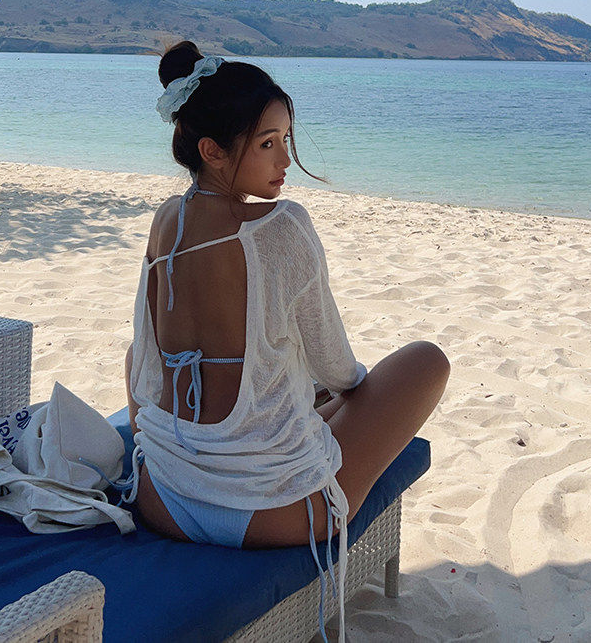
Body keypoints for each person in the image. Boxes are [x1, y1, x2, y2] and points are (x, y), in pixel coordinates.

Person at [124, 42, 448, 637]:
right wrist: (341, 396)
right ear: (212, 150)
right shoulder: (283, 227)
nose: (284, 161)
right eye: (267, 144)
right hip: (271, 512)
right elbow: (338, 369)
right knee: (426, 361)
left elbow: (142, 362)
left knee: (290, 386)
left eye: (286, 141)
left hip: (163, 496)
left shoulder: (167, 219)